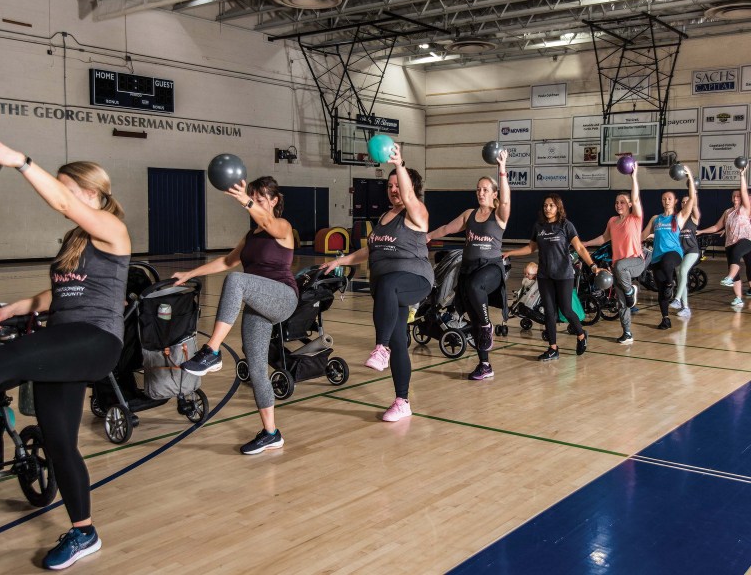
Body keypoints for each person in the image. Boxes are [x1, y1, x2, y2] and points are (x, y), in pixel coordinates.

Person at [0, 134, 131, 570]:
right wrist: (19, 306)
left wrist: (19, 162)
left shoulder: (112, 229)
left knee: (3, 361)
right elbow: (62, 293)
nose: (60, 193)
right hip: (64, 344)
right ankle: (84, 531)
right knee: (58, 443)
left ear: (90, 194)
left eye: (65, 185)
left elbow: (65, 205)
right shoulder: (76, 240)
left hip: (94, 341)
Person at [174, 176, 298, 454]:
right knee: (256, 369)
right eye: (254, 198)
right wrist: (189, 273)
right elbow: (227, 261)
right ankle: (271, 433)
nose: (257, 203)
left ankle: (212, 351)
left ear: (275, 201)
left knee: (237, 281)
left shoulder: (283, 226)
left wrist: (245, 199)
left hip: (282, 297)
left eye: (262, 198)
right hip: (258, 303)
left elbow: (266, 222)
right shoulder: (250, 236)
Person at [321, 144, 432, 421]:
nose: (394, 189)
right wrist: (340, 261)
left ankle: (380, 348)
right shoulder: (384, 218)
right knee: (398, 337)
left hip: (414, 280)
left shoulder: (417, 212)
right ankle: (402, 401)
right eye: (390, 186)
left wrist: (398, 163)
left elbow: (407, 194)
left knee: (389, 284)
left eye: (398, 185)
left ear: (409, 186)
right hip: (387, 290)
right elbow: (370, 250)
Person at [426, 150, 511, 379]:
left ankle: (487, 326)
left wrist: (502, 169)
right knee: (473, 317)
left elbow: (505, 199)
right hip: (469, 269)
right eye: (478, 189)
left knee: (475, 290)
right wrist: (427, 236)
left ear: (494, 194)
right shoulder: (469, 215)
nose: (480, 193)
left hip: (491, 268)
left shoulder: (500, 215)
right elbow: (446, 229)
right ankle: (485, 365)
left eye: (485, 189)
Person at [503, 193, 601, 360]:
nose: (547, 208)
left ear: (558, 208)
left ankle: (581, 335)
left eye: (551, 205)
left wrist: (592, 265)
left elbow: (580, 248)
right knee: (549, 312)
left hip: (564, 275)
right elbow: (530, 248)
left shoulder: (566, 225)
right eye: (545, 206)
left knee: (566, 310)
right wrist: (509, 252)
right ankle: (553, 348)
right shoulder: (538, 227)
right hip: (545, 276)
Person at [582, 162, 644, 344]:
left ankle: (631, 290)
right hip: (619, 268)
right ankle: (627, 334)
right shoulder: (612, 221)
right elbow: (603, 238)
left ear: (630, 204)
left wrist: (633, 177)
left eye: (623, 202)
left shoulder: (635, 218)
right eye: (617, 202)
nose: (619, 205)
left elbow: (636, 198)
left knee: (619, 267)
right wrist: (585, 243)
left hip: (635, 262)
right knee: (622, 302)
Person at [641, 169, 697, 328]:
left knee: (667, 263)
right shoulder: (655, 219)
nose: (667, 200)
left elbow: (692, 198)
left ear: (675, 201)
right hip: (657, 257)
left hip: (674, 254)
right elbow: (643, 235)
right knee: (661, 292)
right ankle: (665, 318)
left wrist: (690, 177)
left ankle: (670, 284)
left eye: (670, 198)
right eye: (664, 198)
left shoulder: (678, 217)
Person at [697, 166, 751, 306]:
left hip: (746, 240)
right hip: (730, 242)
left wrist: (742, 176)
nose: (735, 198)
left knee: (740, 257)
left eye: (738, 195)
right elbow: (716, 226)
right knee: (735, 266)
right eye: (733, 195)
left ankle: (729, 277)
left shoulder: (746, 209)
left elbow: (744, 191)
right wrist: (702, 231)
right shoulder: (728, 212)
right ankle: (738, 298)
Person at [669, 187, 701, 318]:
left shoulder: (694, 218)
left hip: (692, 251)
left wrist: (693, 192)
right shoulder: (677, 219)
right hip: (680, 252)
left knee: (683, 272)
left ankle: (677, 299)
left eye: (687, 202)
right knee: (681, 277)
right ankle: (685, 307)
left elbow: (695, 204)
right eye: (682, 202)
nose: (684, 204)